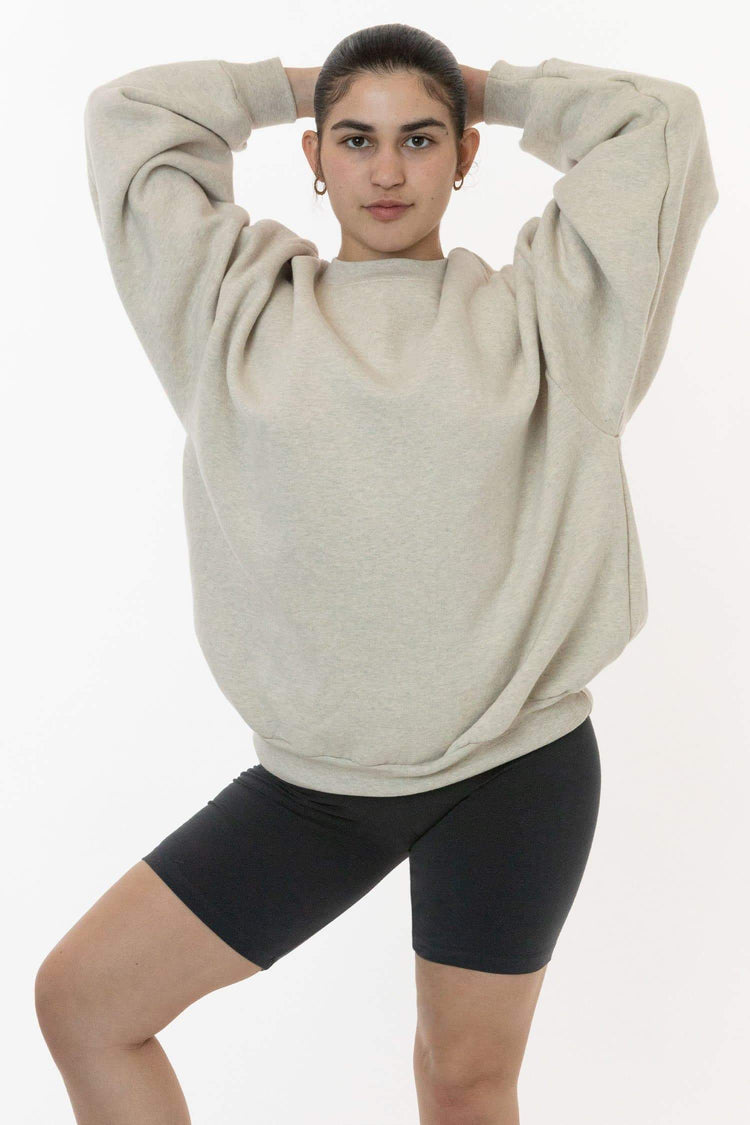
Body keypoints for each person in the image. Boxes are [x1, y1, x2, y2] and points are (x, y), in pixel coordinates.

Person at [36, 22, 718, 1125]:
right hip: (316, 792)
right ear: (313, 155)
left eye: (422, 138)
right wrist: (316, 83)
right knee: (83, 1004)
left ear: (465, 154)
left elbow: (659, 123)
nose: (388, 170)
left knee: (463, 1082)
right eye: (355, 139)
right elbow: (130, 118)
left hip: (515, 767)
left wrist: (482, 87)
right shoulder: (232, 310)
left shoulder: (550, 318)